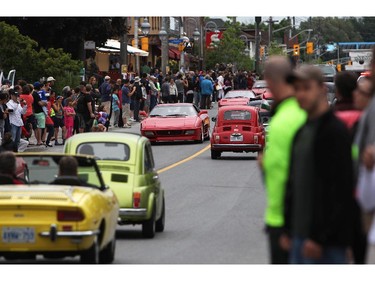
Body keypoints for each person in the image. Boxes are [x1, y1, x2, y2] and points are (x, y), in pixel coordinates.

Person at [281, 65, 357, 264]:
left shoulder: (334, 132)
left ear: (322, 90)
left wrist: (320, 237)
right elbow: (293, 184)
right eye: (297, 89)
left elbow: (341, 189)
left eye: (306, 88)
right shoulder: (301, 132)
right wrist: (288, 228)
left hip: (327, 244)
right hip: (299, 238)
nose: (300, 94)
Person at [259, 56, 307, 264]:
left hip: (286, 221)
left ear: (269, 80)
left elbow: (292, 176)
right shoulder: (301, 114)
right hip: (295, 220)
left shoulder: (281, 122)